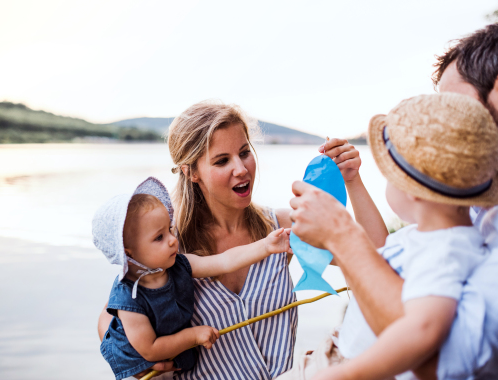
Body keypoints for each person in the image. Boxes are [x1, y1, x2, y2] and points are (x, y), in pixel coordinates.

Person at [289, 23, 498, 378]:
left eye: (453, 104)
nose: (447, 121)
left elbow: (441, 358)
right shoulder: (478, 189)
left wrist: (341, 234)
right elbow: (389, 259)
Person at [100, 102, 334, 379]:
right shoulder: (167, 247)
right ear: (191, 172)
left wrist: (352, 181)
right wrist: (137, 359)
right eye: (222, 161)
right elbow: (109, 318)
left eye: (245, 153)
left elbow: (378, 257)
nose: (241, 169)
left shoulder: (279, 228)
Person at [93, 177, 292, 380]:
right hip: (143, 362)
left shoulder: (178, 265)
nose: (172, 240)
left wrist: (266, 246)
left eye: (169, 230)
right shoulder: (129, 299)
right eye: (159, 237)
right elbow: (150, 350)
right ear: (130, 254)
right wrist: (194, 336)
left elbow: (224, 261)